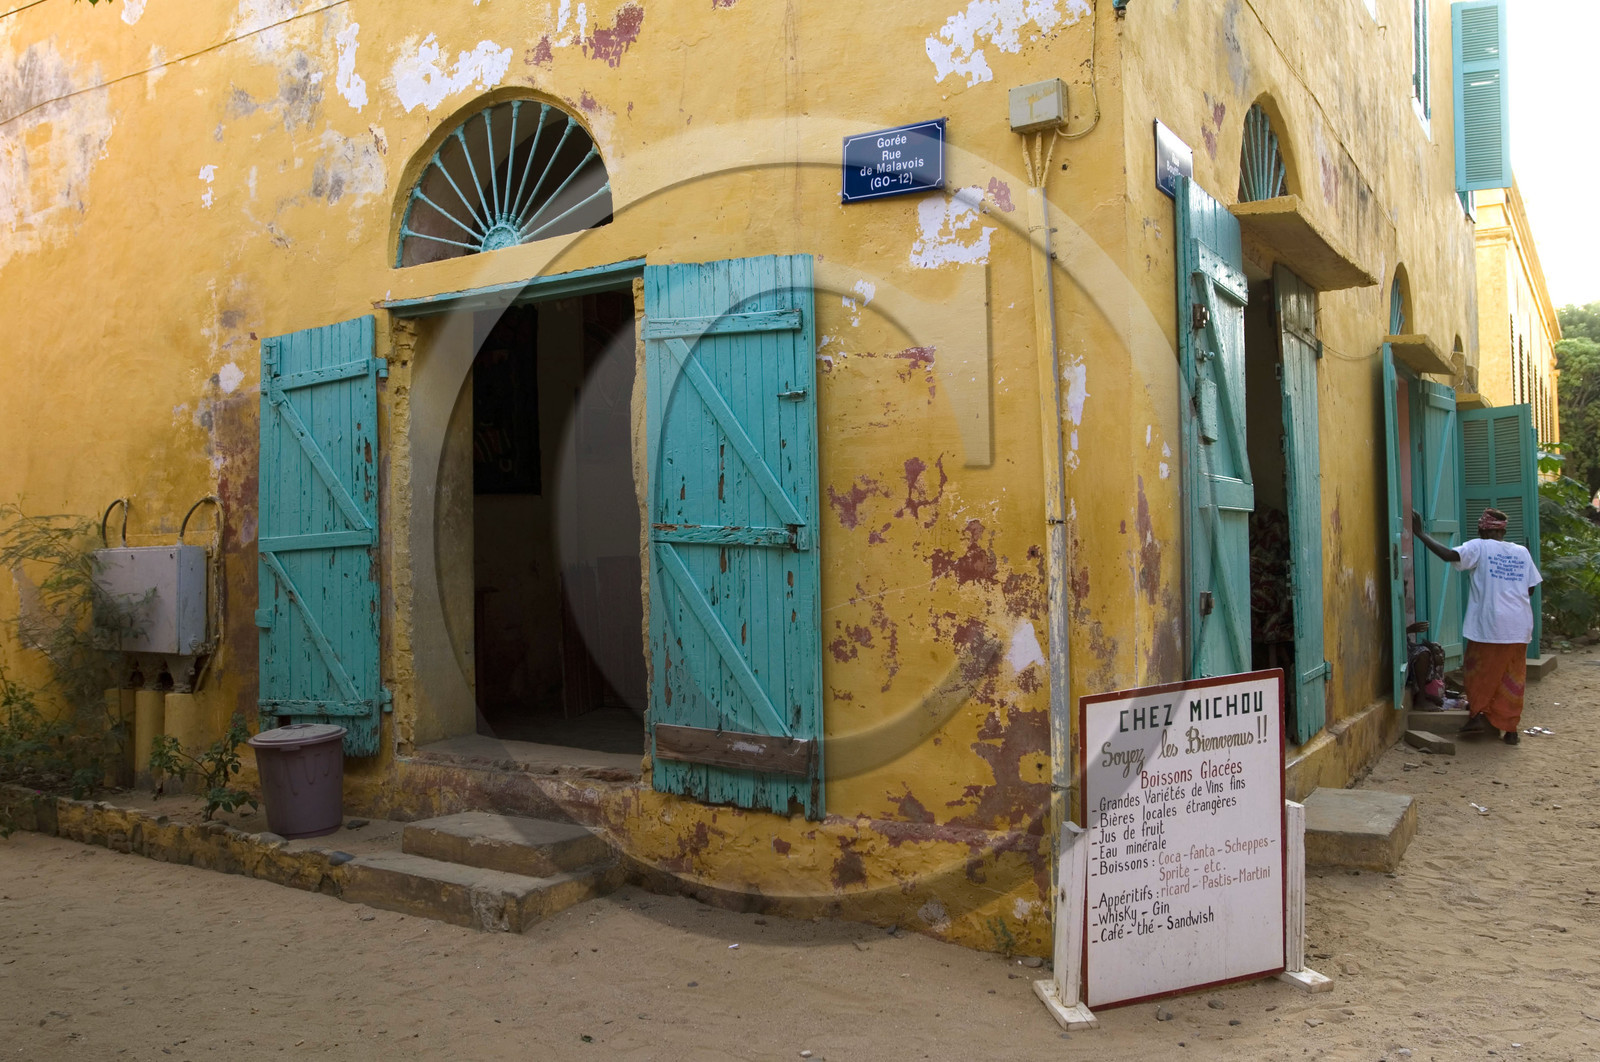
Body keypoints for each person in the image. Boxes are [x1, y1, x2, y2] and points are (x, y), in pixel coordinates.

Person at [1411, 508, 1542, 745]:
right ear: (1503, 531)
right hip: (1520, 625)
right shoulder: (1522, 552)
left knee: (1479, 672)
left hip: (1490, 625)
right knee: (1512, 676)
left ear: (1482, 530)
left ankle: (1478, 715)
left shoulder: (1479, 546)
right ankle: (1510, 729)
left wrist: (1420, 534)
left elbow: (1450, 555)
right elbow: (1530, 588)